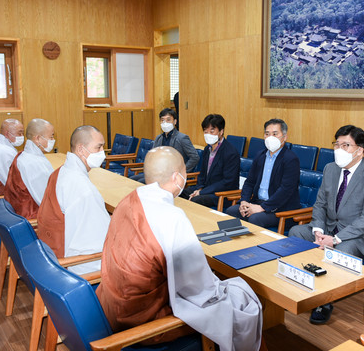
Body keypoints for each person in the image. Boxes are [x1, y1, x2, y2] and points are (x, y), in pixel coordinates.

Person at [96, 147, 262, 351]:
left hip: (112, 304)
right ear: (176, 177)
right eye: (184, 172)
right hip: (144, 321)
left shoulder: (131, 199)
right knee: (246, 301)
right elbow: (199, 290)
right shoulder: (171, 217)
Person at [289, 124, 364, 325]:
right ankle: (301, 284)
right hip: (329, 228)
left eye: (346, 145)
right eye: (337, 145)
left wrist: (335, 239)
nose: (339, 150)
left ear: (359, 150)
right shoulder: (330, 168)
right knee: (296, 232)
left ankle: (324, 302)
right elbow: (320, 204)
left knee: (341, 249)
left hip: (361, 236)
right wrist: (317, 229)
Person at [37, 126, 110, 275]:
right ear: (81, 149)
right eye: (99, 147)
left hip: (50, 250)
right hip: (73, 266)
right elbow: (96, 245)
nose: (103, 153)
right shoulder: (83, 190)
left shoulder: (61, 171)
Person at [225, 118, 300, 229]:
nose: (270, 137)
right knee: (232, 211)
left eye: (275, 134)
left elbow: (286, 190)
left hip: (280, 209)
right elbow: (250, 182)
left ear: (284, 137)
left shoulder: (291, 159)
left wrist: (262, 208)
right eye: (267, 134)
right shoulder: (260, 155)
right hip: (258, 202)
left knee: (255, 218)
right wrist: (244, 201)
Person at [181, 114, 240, 208]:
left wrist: (201, 192)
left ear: (221, 132)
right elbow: (202, 174)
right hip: (206, 189)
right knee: (180, 192)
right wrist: (199, 188)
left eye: (212, 131)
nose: (208, 135)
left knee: (196, 200)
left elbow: (227, 182)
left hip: (222, 194)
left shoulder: (231, 152)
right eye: (205, 131)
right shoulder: (207, 149)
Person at [4, 118, 55, 220]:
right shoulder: (32, 163)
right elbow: (46, 200)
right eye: (51, 137)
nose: (53, 140)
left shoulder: (24, 155)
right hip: (30, 215)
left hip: (19, 209)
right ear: (38, 139)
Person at [130, 108, 199, 183]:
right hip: (158, 173)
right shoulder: (159, 138)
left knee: (141, 182)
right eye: (163, 120)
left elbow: (195, 157)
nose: (165, 122)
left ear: (175, 121)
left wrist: (181, 171)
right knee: (132, 179)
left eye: (168, 120)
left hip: (172, 175)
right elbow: (153, 156)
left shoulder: (182, 138)